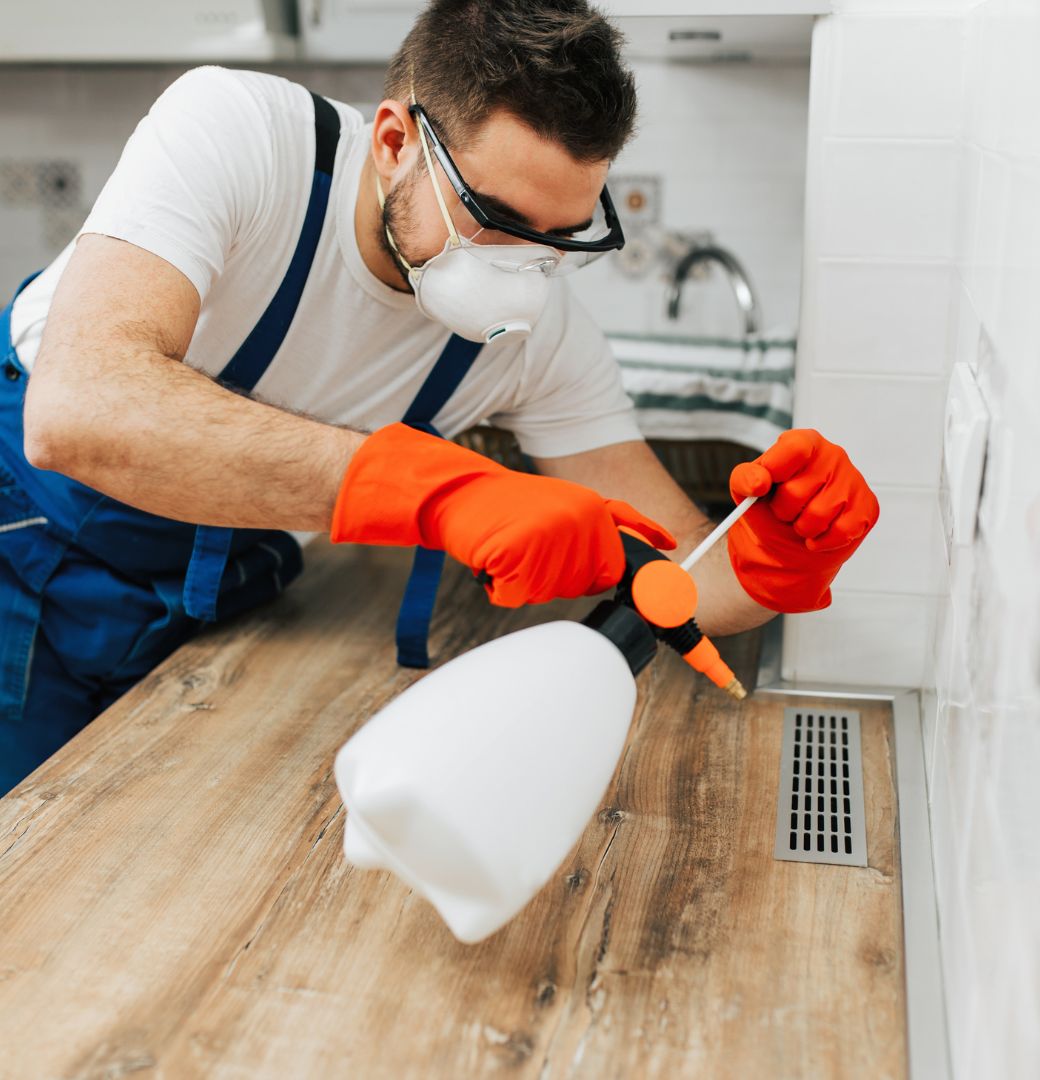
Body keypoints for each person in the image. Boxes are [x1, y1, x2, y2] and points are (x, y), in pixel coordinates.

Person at [0, 0, 878, 796]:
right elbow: (78, 409)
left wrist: (769, 560)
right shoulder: (242, 137)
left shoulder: (542, 341)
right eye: (493, 217)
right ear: (393, 145)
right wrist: (439, 490)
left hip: (221, 589)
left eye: (560, 238)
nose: (523, 271)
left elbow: (681, 568)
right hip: (26, 540)